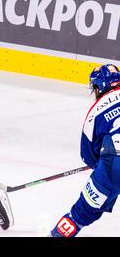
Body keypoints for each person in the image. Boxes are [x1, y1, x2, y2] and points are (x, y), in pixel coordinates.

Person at [50, 64, 120, 237]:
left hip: (114, 166)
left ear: (98, 87)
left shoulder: (95, 112)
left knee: (79, 215)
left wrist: (100, 165)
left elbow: (88, 156)